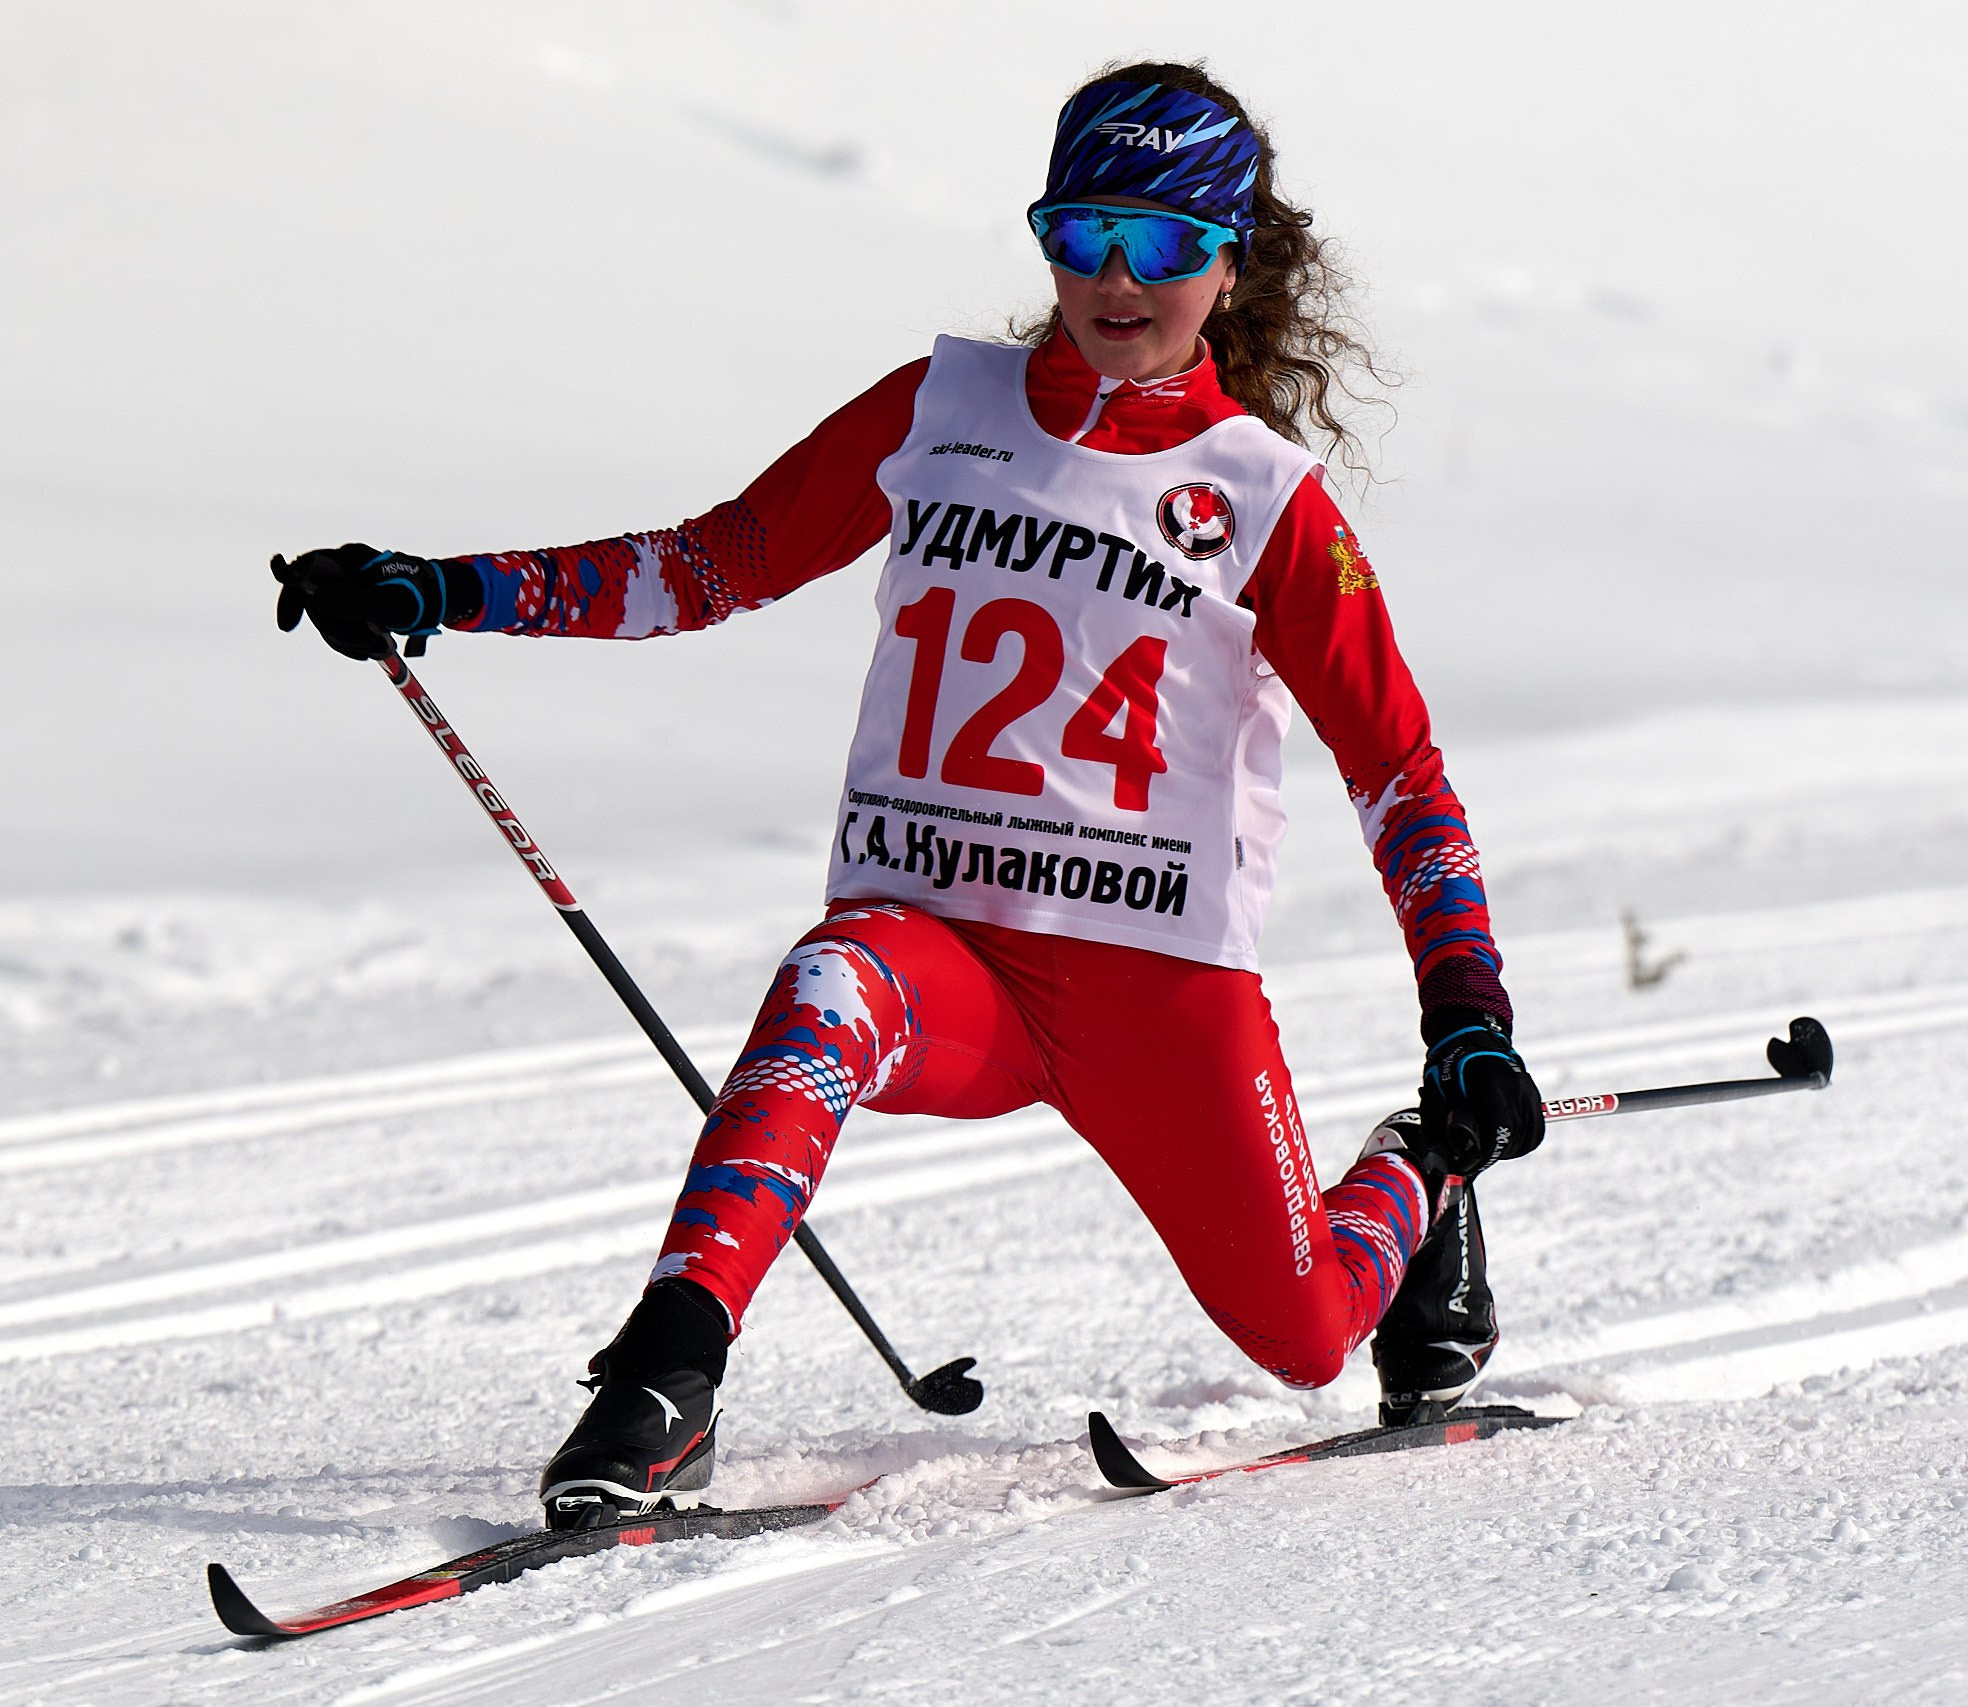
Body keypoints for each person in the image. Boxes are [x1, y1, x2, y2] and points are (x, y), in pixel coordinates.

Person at [271, 61, 1547, 1531]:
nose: (1113, 281)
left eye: (1162, 246)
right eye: (1079, 233)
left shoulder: (1264, 499)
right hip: (946, 959)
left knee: (1308, 1335)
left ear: (1230, 259)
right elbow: (711, 563)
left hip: (1157, 994)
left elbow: (1399, 772)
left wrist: (1466, 1018)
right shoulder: (946, 405)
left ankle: (1422, 1178)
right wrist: (447, 590)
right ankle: (669, 1369)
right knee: (825, 987)